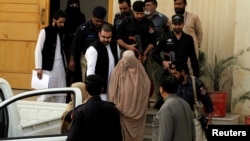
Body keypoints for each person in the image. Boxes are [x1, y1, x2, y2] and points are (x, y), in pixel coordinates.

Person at [152, 14, 199, 109]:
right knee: (166, 100)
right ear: (172, 24)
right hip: (169, 72)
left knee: (185, 99)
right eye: (175, 24)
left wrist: (196, 77)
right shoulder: (165, 37)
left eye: (179, 24)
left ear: (183, 24)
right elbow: (154, 54)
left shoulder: (188, 39)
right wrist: (162, 62)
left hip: (183, 73)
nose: (177, 26)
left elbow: (193, 59)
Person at [109, 50, 150, 141]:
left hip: (123, 111)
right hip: (126, 113)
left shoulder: (120, 69)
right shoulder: (120, 70)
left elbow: (112, 92)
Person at [66, 74, 122, 141]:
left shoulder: (80, 111)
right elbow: (118, 136)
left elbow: (71, 138)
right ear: (102, 89)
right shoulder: (113, 109)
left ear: (85, 88)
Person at [169, 60, 214, 141]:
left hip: (194, 120)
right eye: (172, 74)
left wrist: (209, 120)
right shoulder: (174, 83)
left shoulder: (197, 83)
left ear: (182, 72)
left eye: (175, 73)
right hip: (179, 121)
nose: (173, 76)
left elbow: (207, 102)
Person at [34, 10, 67, 103]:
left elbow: (62, 51)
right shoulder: (45, 31)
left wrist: (66, 66)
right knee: (45, 95)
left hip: (60, 68)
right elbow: (38, 50)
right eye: (60, 22)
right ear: (54, 20)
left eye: (63, 22)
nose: (62, 24)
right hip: (47, 69)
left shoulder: (62, 32)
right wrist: (38, 67)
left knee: (61, 94)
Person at [68, 6, 107, 83]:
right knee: (87, 80)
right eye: (97, 21)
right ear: (92, 17)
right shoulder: (83, 29)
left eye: (101, 21)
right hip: (86, 59)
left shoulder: (106, 28)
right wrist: (71, 60)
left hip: (102, 58)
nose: (99, 23)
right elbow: (74, 46)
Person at [152, 74, 195, 141]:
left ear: (161, 89)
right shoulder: (186, 104)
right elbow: (193, 135)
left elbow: (164, 138)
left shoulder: (167, 108)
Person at [144, 0, 170, 107]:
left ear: (155, 6)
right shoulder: (141, 18)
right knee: (144, 78)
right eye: (145, 5)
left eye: (149, 5)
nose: (146, 7)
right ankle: (145, 102)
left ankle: (158, 100)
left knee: (157, 77)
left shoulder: (162, 19)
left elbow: (168, 35)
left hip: (156, 52)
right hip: (143, 52)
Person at [85, 23, 119, 101]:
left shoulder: (114, 45)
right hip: (99, 92)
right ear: (99, 34)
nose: (106, 40)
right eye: (103, 37)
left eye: (108, 37)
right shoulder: (93, 49)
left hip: (112, 89)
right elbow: (90, 73)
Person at [64, 0, 85, 87]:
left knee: (78, 72)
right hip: (66, 45)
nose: (74, 7)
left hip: (79, 46)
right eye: (72, 5)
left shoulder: (81, 16)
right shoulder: (65, 16)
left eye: (76, 5)